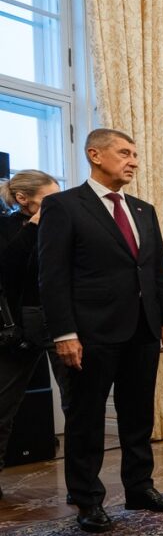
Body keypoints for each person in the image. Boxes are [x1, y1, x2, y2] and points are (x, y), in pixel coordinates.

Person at [38, 128, 163, 532]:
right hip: (91, 333)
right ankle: (87, 500)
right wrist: (64, 333)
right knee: (86, 419)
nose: (133, 161)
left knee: (139, 415)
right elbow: (52, 276)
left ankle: (140, 488)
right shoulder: (64, 206)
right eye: (124, 153)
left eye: (135, 154)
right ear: (94, 155)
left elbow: (155, 271)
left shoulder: (142, 209)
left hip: (143, 330)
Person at [0, 171, 72, 493]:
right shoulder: (6, 227)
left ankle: (81, 483)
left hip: (62, 324)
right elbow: (7, 270)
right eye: (49, 199)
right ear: (22, 199)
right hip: (17, 330)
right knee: (3, 408)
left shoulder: (64, 227)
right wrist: (34, 227)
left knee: (77, 403)